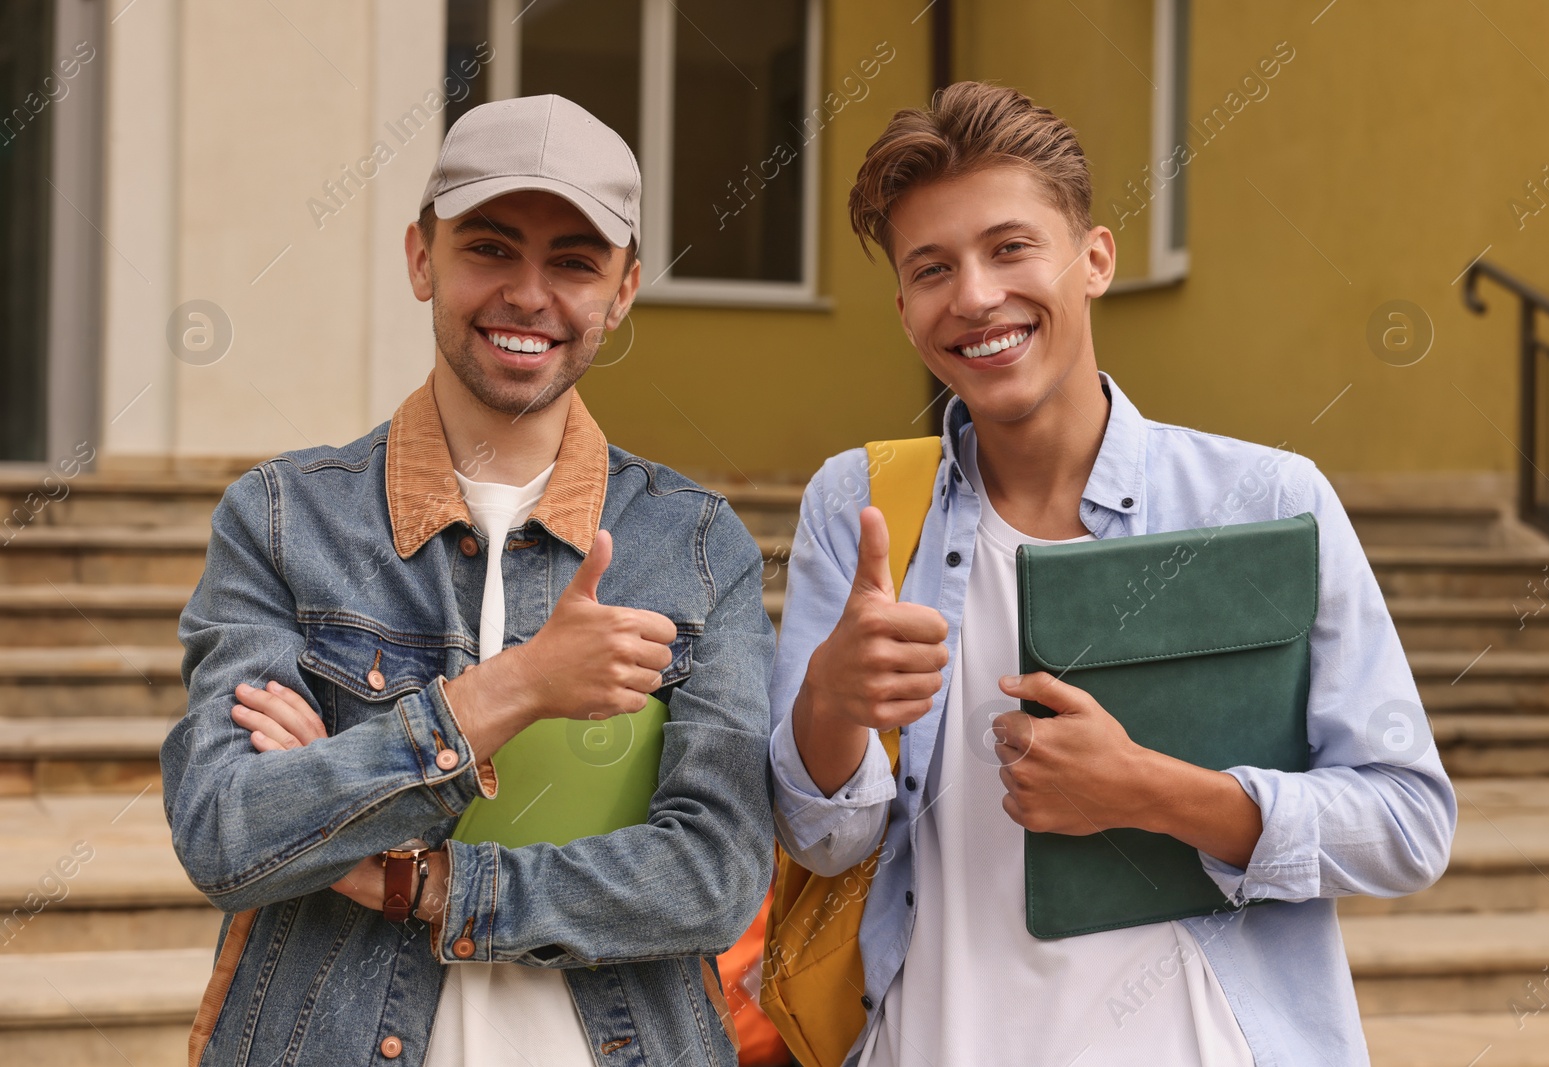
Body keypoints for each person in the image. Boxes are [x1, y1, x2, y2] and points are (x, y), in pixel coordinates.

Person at [768, 81, 1455, 1066]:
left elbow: (1406, 823)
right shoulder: (860, 504)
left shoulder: (1264, 499)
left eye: (1009, 247)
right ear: (905, 307)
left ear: (1093, 259)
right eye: (932, 268)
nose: (973, 294)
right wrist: (831, 702)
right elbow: (823, 841)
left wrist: (1150, 790)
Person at [161, 94, 774, 1067]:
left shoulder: (695, 543)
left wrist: (418, 876)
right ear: (420, 257)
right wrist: (515, 689)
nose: (528, 294)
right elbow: (227, 830)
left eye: (574, 260)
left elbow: (717, 871)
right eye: (489, 247)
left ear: (622, 293)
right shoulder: (283, 519)